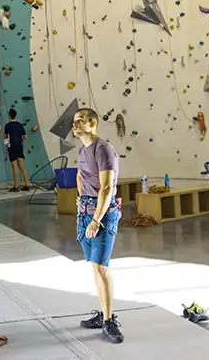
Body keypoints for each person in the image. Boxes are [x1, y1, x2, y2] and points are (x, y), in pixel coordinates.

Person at [72, 108, 124, 344]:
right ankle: (103, 314)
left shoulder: (103, 149)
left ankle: (109, 321)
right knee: (95, 266)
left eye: (80, 120)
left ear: (92, 124)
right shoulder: (83, 150)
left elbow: (106, 188)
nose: (75, 124)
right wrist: (80, 198)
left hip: (100, 216)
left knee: (102, 268)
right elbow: (81, 176)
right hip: (85, 212)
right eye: (74, 121)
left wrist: (96, 220)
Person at [3, 109, 28, 192]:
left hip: (12, 147)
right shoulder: (20, 125)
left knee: (15, 168)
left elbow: (5, 137)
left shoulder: (7, 126)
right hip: (20, 147)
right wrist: (20, 141)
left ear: (9, 116)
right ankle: (26, 185)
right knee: (22, 167)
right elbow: (25, 137)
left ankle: (16, 186)